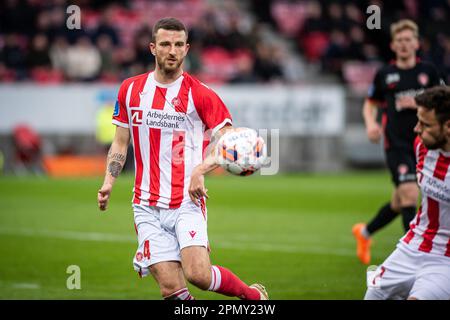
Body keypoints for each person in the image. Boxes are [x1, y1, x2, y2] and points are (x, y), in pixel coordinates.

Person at [97, 17, 268, 300]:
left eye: (178, 45)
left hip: (186, 201)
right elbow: (120, 141)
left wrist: (200, 170)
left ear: (187, 49)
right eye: (165, 44)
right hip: (146, 204)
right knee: (170, 289)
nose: (172, 50)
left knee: (198, 274)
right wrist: (108, 182)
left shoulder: (200, 94)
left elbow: (226, 139)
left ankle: (252, 297)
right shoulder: (130, 89)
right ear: (153, 48)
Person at [353, 20, 444, 265]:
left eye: (408, 40)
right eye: (399, 41)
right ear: (393, 45)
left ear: (416, 43)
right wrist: (371, 124)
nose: (404, 45)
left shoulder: (429, 72)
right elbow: (370, 103)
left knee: (399, 200)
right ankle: (415, 257)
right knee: (409, 194)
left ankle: (364, 233)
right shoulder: (385, 74)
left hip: (424, 144)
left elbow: (443, 103)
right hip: (396, 144)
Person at [364, 86, 450, 300]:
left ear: (448, 126)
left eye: (425, 124)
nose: (416, 129)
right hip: (411, 246)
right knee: (372, 295)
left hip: (445, 260)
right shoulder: (422, 146)